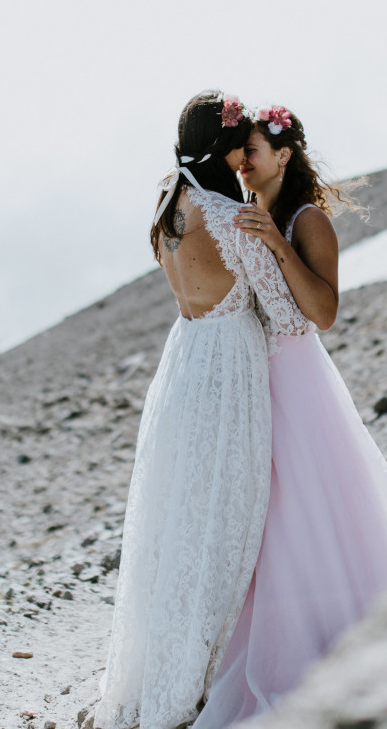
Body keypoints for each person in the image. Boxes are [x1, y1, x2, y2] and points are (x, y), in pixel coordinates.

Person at [193, 106, 387, 728]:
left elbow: (323, 312)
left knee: (307, 504)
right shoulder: (247, 212)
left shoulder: (308, 220)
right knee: (268, 515)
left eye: (251, 150)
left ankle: (328, 637)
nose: (242, 162)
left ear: (283, 155)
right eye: (237, 152)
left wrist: (277, 243)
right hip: (255, 380)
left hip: (297, 379)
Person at [94, 91, 313, 729]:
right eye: (239, 145)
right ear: (222, 150)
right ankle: (193, 681)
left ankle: (153, 675)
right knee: (223, 519)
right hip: (230, 373)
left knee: (178, 520)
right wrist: (277, 243)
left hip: (184, 363)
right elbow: (292, 318)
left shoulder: (169, 207)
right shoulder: (229, 217)